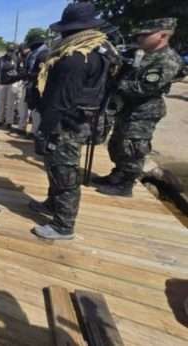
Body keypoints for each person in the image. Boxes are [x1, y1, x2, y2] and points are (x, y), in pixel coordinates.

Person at [30, 2, 119, 240]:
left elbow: (62, 99)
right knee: (56, 166)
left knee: (64, 172)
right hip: (82, 118)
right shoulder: (100, 50)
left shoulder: (75, 57)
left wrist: (43, 131)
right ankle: (52, 204)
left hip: (67, 123)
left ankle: (63, 225)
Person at [93, 18, 183, 197]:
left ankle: (126, 184)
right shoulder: (143, 54)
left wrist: (118, 83)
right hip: (128, 108)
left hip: (144, 111)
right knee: (118, 143)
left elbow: (145, 87)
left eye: (145, 35)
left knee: (133, 146)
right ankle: (118, 174)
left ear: (163, 35)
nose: (140, 38)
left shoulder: (168, 60)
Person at [17, 32, 51, 137]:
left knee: (36, 110)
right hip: (28, 84)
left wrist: (29, 74)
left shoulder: (45, 54)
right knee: (24, 106)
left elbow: (43, 73)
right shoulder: (32, 54)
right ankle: (22, 127)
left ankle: (34, 132)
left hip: (38, 86)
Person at [0, 44, 21, 129]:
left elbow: (20, 72)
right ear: (6, 50)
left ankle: (9, 122)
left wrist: (18, 82)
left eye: (12, 51)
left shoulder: (17, 60)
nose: (10, 52)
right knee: (1, 103)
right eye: (9, 50)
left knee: (10, 104)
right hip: (2, 84)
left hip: (12, 84)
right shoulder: (0, 60)